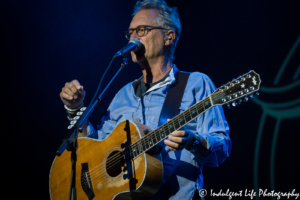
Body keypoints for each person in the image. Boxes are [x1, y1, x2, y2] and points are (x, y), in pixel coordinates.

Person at [59, 0, 231, 199]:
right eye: (130, 32)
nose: (133, 38)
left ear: (169, 37)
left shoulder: (196, 83)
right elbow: (92, 148)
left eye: (141, 30)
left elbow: (222, 147)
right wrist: (76, 109)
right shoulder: (123, 94)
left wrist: (194, 142)